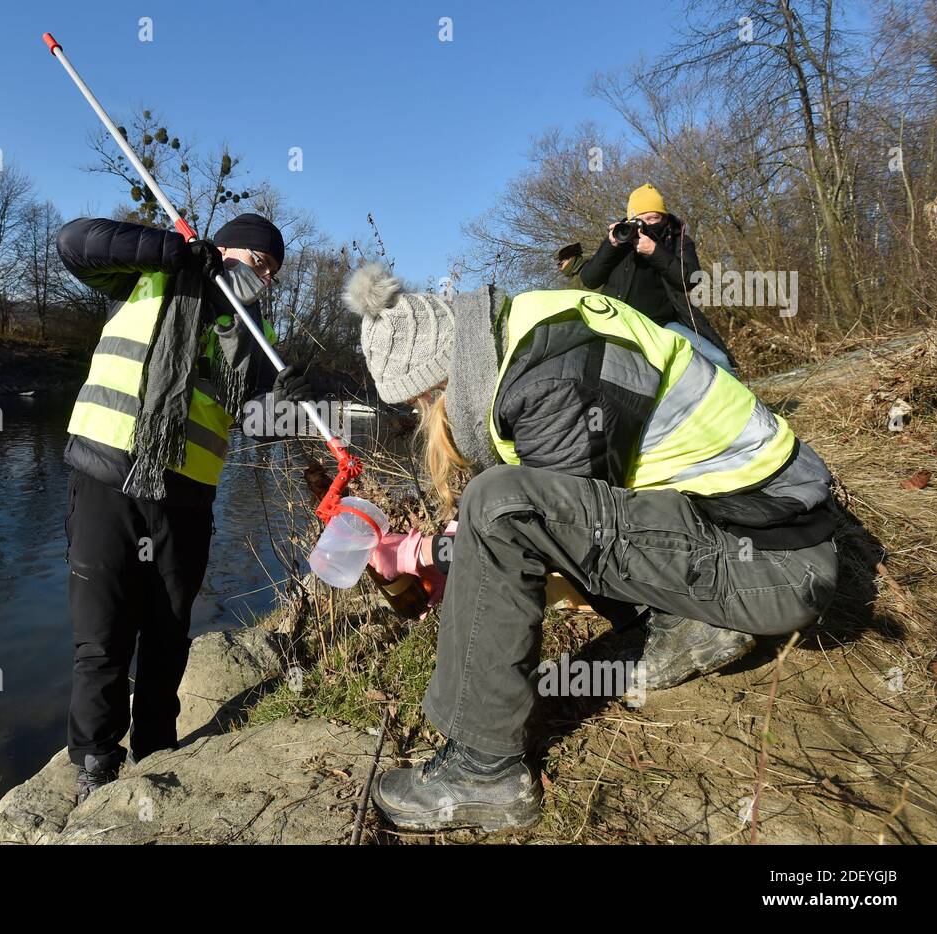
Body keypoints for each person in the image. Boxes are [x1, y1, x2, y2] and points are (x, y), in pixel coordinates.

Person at [341, 262, 837, 832]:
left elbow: (535, 528)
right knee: (501, 503)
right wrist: (449, 555)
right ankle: (688, 621)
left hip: (776, 567)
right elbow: (567, 514)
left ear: (443, 377)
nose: (424, 418)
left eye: (420, 403)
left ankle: (484, 772)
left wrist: (421, 555)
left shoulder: (551, 380)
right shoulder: (532, 334)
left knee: (494, 501)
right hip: (756, 538)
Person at [58, 212, 312, 802]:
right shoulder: (150, 273)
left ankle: (155, 749)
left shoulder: (253, 332)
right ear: (226, 250)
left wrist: (289, 403)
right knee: (102, 633)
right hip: (108, 478)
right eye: (259, 261)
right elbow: (74, 243)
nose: (266, 277)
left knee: (169, 633)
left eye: (273, 271)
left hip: (187, 500)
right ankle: (95, 759)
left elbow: (255, 423)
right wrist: (172, 250)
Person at [579, 183, 736, 372]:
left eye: (653, 218)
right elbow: (590, 279)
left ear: (664, 218)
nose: (645, 224)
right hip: (619, 322)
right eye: (639, 219)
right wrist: (610, 247)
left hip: (663, 325)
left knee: (719, 361)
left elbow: (690, 279)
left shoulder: (678, 240)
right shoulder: (620, 238)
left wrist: (655, 251)